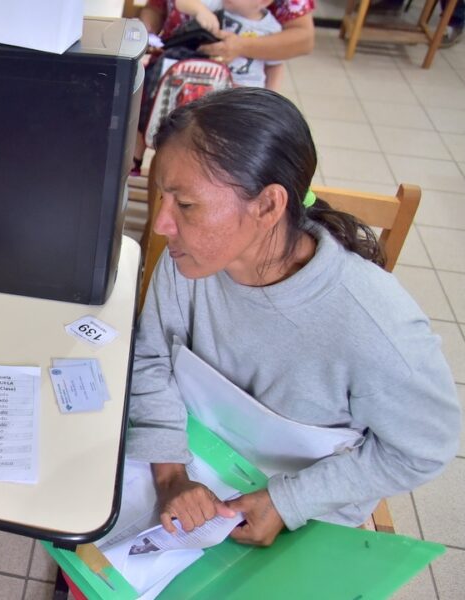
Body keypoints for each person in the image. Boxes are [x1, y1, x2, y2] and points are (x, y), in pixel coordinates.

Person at [128, 87, 460, 546]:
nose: (163, 224)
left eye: (185, 205)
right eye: (160, 195)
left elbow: (423, 451)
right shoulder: (189, 258)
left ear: (267, 206)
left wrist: (289, 503)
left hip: (307, 511)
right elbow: (151, 358)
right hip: (191, 465)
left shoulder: (375, 325)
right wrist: (170, 477)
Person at [130, 0, 314, 175]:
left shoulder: (269, 27)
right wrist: (148, 32)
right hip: (190, 78)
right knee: (167, 127)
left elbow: (295, 46)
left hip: (239, 93)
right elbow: (163, 6)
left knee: (222, 150)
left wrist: (269, 99)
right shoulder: (215, 5)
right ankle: (136, 156)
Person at [174, 0, 284, 90]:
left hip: (247, 90)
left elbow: (274, 65)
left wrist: (272, 94)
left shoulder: (272, 29)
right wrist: (200, 10)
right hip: (206, 80)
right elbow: (182, 2)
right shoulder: (218, 4)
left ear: (263, 1)